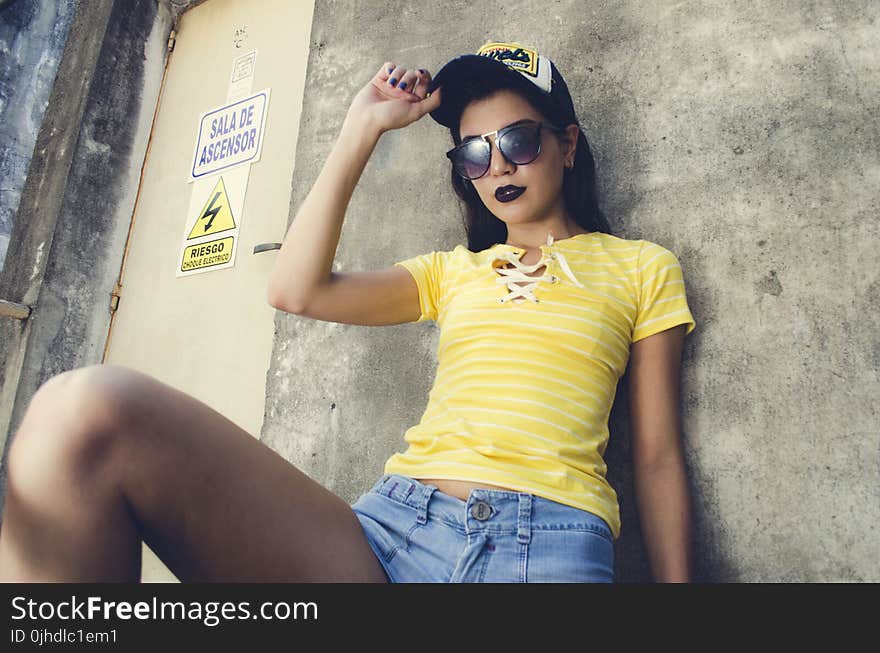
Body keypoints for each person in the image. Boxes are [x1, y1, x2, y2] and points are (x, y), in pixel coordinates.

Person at [0, 42, 695, 583]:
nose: (499, 168)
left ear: (567, 144)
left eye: (518, 140)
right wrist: (363, 127)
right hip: (392, 534)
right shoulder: (452, 272)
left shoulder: (641, 266)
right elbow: (295, 289)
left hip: (545, 548)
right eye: (475, 155)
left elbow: (657, 455)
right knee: (79, 409)